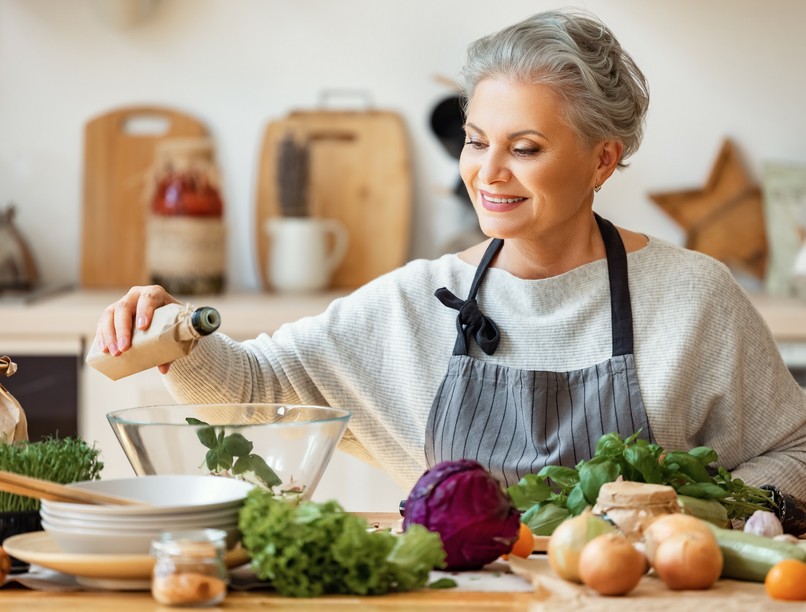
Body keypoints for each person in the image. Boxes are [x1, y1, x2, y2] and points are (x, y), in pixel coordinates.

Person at [94, 9, 806, 499]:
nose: (487, 173)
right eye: (475, 139)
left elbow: (797, 454)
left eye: (524, 148)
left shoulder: (692, 297)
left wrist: (698, 510)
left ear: (601, 159)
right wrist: (177, 339)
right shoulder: (413, 304)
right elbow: (255, 389)